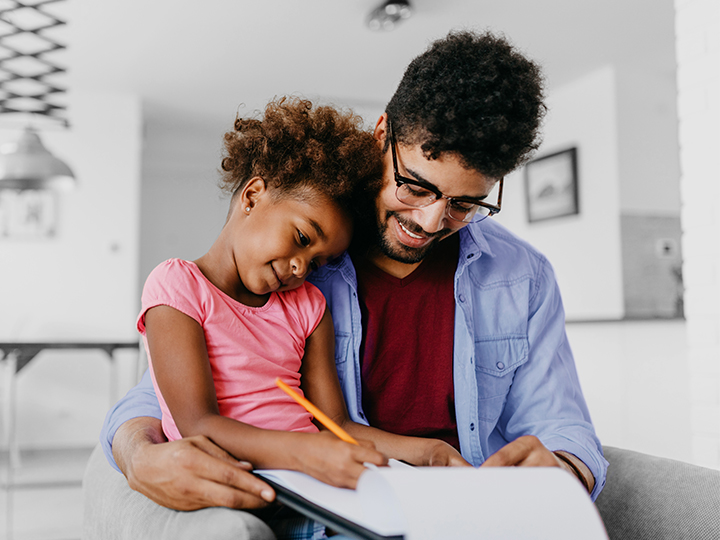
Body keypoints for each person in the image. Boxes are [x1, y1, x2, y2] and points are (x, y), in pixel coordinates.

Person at [92, 29, 607, 538]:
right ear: (382, 134)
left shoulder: (522, 277)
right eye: (416, 186)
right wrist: (139, 452)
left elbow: (564, 426)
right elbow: (171, 391)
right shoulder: (308, 245)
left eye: (463, 204)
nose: (430, 221)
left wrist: (560, 470)